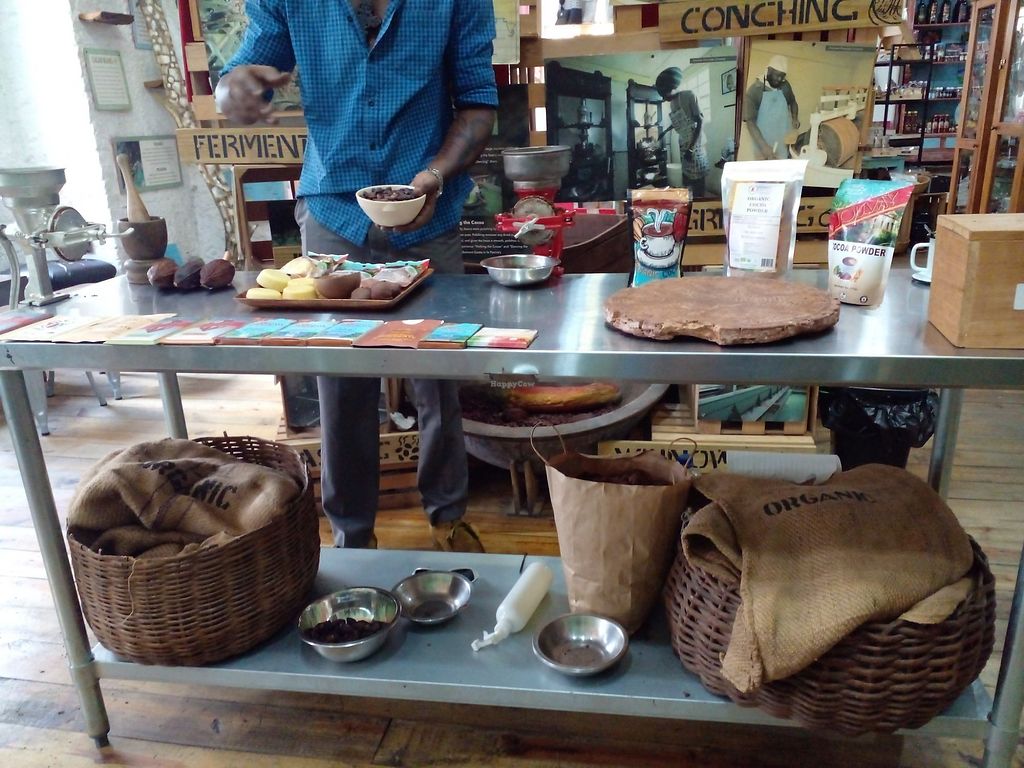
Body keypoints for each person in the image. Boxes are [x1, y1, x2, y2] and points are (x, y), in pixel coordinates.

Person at [215, 1, 497, 552]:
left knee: (439, 376)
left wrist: (434, 176)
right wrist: (235, 91)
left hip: (427, 208)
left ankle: (447, 519)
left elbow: (477, 104)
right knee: (340, 383)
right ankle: (352, 535)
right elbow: (242, 74)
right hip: (333, 212)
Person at [654, 67, 709, 197]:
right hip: (684, 144)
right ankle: (689, 202)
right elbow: (678, 122)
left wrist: (691, 149)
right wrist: (665, 131)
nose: (664, 98)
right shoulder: (672, 103)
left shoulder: (689, 95)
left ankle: (700, 203)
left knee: (697, 180)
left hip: (696, 144)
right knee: (686, 178)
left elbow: (700, 121)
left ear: (673, 88)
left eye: (665, 94)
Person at [743, 55, 800, 160]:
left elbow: (793, 102)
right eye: (777, 75)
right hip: (763, 142)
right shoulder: (755, 90)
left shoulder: (785, 86)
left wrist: (795, 117)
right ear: (768, 70)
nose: (779, 79)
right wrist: (763, 147)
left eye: (782, 76)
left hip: (783, 139)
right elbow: (750, 122)